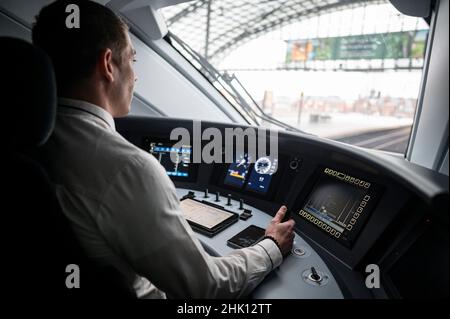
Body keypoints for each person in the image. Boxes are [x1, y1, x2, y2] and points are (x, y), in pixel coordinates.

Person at [32, 0, 295, 298]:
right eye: (132, 60)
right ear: (108, 65)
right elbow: (206, 287)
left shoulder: (28, 141)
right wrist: (271, 246)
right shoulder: (127, 168)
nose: (135, 75)